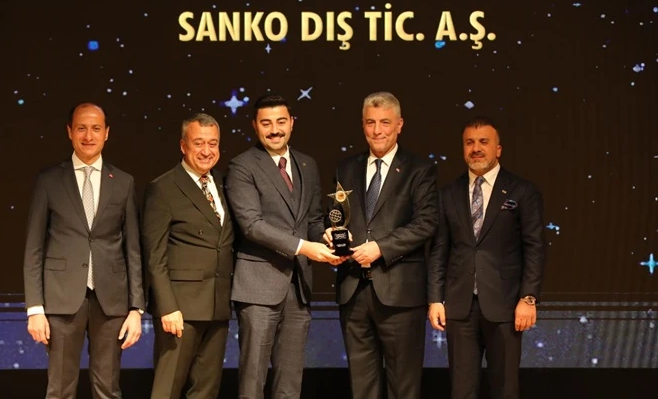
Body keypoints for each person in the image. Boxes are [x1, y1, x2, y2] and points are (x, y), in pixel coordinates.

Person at [23, 102, 145, 399]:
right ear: (69, 132)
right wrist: (35, 308)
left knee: (108, 389)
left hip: (111, 302)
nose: (88, 136)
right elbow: (34, 248)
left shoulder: (124, 182)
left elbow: (133, 249)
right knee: (60, 389)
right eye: (81, 128)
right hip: (61, 299)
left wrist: (136, 308)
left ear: (107, 133)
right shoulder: (49, 180)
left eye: (95, 128)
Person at [226, 94, 342, 399]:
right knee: (253, 381)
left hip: (298, 287)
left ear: (292, 123)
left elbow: (312, 219)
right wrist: (305, 247)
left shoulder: (307, 164)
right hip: (258, 288)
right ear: (255, 126)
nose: (274, 130)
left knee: (290, 382)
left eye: (280, 122)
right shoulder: (242, 166)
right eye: (266, 123)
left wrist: (326, 237)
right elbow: (251, 225)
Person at [325, 91, 438, 398]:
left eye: (385, 122)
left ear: (399, 125)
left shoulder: (419, 169)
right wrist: (331, 232)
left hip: (399, 293)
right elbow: (336, 215)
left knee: (403, 386)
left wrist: (380, 248)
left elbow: (426, 223)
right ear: (362, 124)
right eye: (370, 122)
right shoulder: (346, 167)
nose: (377, 131)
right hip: (353, 290)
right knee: (362, 386)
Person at [427, 116, 546, 399]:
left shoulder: (522, 191)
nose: (476, 148)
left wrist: (528, 297)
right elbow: (439, 250)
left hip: (506, 307)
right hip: (460, 307)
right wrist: (435, 299)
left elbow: (535, 247)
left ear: (498, 149)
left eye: (483, 142)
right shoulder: (448, 194)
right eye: (470, 143)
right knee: (461, 390)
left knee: (505, 389)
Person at [142, 113, 234, 399]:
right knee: (167, 389)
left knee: (206, 391)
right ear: (183, 145)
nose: (206, 151)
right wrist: (167, 307)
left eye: (213, 143)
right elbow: (154, 255)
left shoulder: (224, 184)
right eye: (198, 143)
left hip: (218, 305)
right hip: (180, 310)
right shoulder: (163, 188)